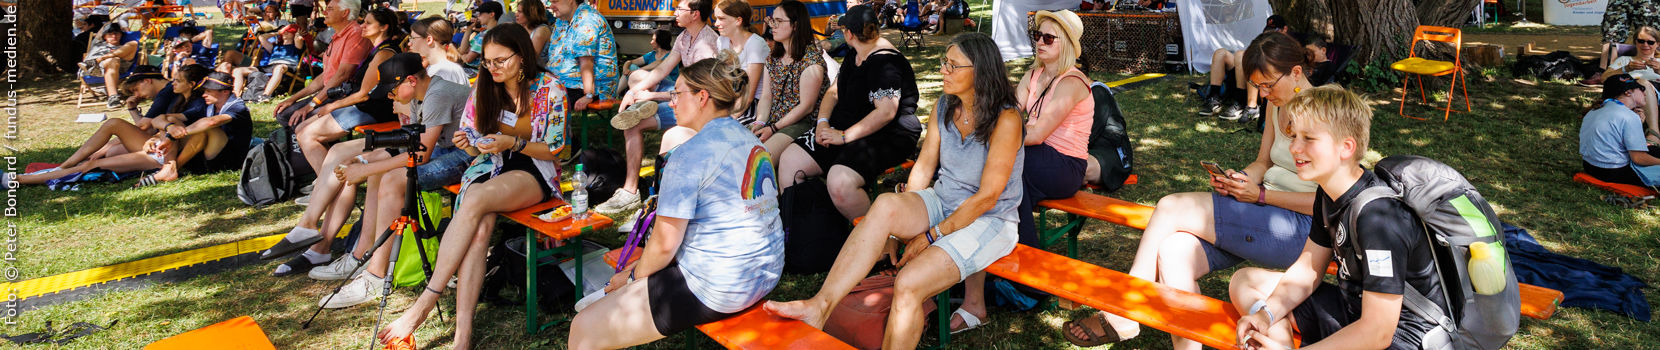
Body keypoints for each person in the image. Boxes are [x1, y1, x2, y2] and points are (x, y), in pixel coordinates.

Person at [1062, 31, 1324, 349]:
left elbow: (1328, 203)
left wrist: (1261, 196)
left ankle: (1127, 307)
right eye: (1259, 86)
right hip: (1262, 210)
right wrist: (1241, 178)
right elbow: (1263, 162)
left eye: (1269, 84)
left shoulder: (1325, 114)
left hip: (1303, 231)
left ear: (1297, 72)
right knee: (1174, 251)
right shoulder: (1276, 105)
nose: (1264, 94)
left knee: (1171, 206)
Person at [766, 32, 1022, 350]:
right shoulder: (945, 105)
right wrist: (893, 230)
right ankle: (819, 306)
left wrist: (931, 235)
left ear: (981, 71)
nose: (944, 69)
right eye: (944, 62)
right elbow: (924, 169)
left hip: (990, 219)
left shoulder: (1006, 118)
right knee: (886, 204)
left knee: (909, 283)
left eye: (953, 65)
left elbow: (987, 197)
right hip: (945, 201)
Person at [568, 52, 784, 350]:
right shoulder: (753, 141)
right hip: (766, 272)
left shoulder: (687, 155)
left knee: (583, 330)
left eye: (677, 93)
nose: (670, 102)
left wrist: (631, 278)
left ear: (702, 97)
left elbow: (664, 245)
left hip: (721, 285)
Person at [375, 23, 568, 349]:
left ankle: (424, 304)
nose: (492, 68)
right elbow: (473, 145)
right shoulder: (485, 87)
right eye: (488, 62)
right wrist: (468, 143)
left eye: (500, 61)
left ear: (521, 57)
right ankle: (463, 334)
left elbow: (554, 149)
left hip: (534, 169)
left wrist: (513, 142)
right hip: (489, 166)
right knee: (479, 230)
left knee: (476, 199)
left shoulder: (550, 88)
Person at [1228, 85, 1450, 350]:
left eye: (1308, 138)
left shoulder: (1379, 219)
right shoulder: (1328, 193)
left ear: (1346, 147)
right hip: (1353, 312)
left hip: (1403, 339)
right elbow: (1308, 270)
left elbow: (1378, 333)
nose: (1294, 148)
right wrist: (1265, 316)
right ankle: (1277, 338)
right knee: (1243, 280)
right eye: (1294, 136)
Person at [305, 53, 475, 308]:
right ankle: (363, 256)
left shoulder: (437, 94)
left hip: (469, 155)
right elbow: (412, 140)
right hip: (449, 148)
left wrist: (364, 170)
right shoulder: (424, 93)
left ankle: (375, 275)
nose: (389, 96)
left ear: (410, 80)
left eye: (392, 90)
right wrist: (365, 163)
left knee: (392, 180)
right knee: (379, 171)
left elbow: (419, 154)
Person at [774, 4, 921, 221]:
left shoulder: (885, 62)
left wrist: (843, 137)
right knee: (789, 161)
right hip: (846, 127)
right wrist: (823, 122)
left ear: (849, 34)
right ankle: (803, 232)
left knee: (840, 182)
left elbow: (886, 113)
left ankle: (879, 243)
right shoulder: (855, 54)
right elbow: (834, 93)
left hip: (888, 134)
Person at [597, 0, 719, 218]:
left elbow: (697, 91)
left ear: (695, 14)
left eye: (680, 9)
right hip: (681, 100)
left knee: (668, 139)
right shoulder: (684, 37)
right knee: (632, 120)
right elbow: (662, 69)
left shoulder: (707, 44)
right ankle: (630, 191)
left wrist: (651, 95)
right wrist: (632, 92)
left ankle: (659, 200)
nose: (675, 12)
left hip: (698, 110)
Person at [291, 6, 405, 189]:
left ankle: (328, 186)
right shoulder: (376, 50)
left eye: (368, 23)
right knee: (302, 129)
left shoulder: (384, 53)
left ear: (383, 27)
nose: (363, 26)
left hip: (375, 110)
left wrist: (332, 106)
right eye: (363, 22)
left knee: (308, 135)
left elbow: (363, 95)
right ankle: (326, 182)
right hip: (363, 106)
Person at [273, 0, 371, 130]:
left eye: (330, 9)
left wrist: (312, 105)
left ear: (345, 13)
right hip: (332, 92)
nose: (324, 12)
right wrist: (293, 98)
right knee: (284, 113)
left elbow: (343, 75)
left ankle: (317, 145)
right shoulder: (339, 34)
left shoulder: (355, 33)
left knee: (291, 117)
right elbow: (327, 75)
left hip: (345, 96)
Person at [750, 0, 827, 157]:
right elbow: (766, 96)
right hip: (775, 120)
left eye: (779, 21)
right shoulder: (773, 57)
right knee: (739, 148)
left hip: (802, 123)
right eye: (773, 20)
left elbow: (806, 107)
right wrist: (760, 122)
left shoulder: (811, 61)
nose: (773, 26)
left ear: (796, 25)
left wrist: (773, 128)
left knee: (759, 159)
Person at [1199, 15, 1289, 122]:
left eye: (1275, 31)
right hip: (1247, 77)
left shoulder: (1290, 46)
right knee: (1221, 53)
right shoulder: (1263, 40)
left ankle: (1246, 104)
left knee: (1242, 55)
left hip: (1262, 83)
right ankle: (1214, 98)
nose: (1271, 35)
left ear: (1285, 29)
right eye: (1269, 31)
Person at [1581, 74, 1660, 187]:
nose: (1645, 92)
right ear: (1628, 92)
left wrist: (1639, 124)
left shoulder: (1595, 110)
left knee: (1654, 150)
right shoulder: (1628, 116)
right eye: (1641, 89)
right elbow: (1638, 158)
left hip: (1590, 166)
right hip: (1611, 171)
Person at [545, 0, 620, 111]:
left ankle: (554, 128)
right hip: (567, 83)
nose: (551, 6)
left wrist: (589, 95)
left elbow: (586, 62)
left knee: (541, 99)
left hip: (594, 88)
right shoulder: (562, 20)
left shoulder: (587, 20)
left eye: (555, 1)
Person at [1599, 26, 1660, 146]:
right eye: (1641, 41)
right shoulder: (1625, 60)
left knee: (1642, 83)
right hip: (1627, 94)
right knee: (1639, 83)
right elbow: (1604, 78)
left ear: (1657, 44)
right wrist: (1625, 69)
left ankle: (1654, 133)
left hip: (1655, 91)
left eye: (1650, 42)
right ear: (1635, 42)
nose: (1645, 45)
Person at [712, 0, 767, 120]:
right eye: (716, 18)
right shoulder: (722, 41)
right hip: (731, 100)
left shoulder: (755, 44)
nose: (716, 23)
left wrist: (728, 118)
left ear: (738, 20)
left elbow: (749, 96)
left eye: (721, 18)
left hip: (752, 106)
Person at [231, 23, 304, 102]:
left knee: (279, 67)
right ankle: (236, 96)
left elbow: (299, 39)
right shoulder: (275, 47)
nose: (285, 32)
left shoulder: (296, 46)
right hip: (270, 67)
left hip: (287, 66)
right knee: (237, 70)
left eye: (288, 31)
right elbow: (261, 37)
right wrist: (278, 32)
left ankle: (265, 95)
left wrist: (298, 33)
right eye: (284, 31)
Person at [81, 23, 140, 108]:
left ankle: (113, 97)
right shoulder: (97, 44)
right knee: (112, 60)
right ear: (104, 36)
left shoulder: (125, 48)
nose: (114, 36)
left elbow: (134, 44)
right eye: (110, 34)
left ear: (121, 35)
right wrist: (110, 22)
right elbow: (104, 27)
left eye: (116, 33)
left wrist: (103, 58)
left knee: (131, 45)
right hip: (92, 69)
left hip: (116, 67)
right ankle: (113, 98)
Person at [408, 16, 469, 85]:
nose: (409, 43)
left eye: (413, 38)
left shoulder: (444, 72)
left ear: (429, 40)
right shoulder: (438, 68)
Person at [459, 1, 504, 69]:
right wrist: (469, 29)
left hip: (474, 72)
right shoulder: (498, 31)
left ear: (491, 14)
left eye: (480, 13)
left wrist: (459, 55)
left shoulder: (486, 35)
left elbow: (468, 59)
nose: (478, 16)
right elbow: (463, 50)